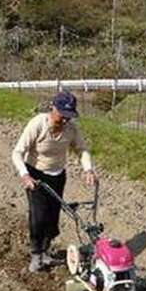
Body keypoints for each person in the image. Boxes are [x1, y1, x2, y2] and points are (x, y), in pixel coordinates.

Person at [11, 91, 97, 273]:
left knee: (52, 218)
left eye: (69, 116)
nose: (65, 120)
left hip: (58, 176)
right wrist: (24, 175)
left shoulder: (71, 129)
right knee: (39, 216)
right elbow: (17, 152)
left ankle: (46, 251)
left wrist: (88, 169)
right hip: (36, 176)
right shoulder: (37, 125)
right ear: (53, 108)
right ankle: (36, 255)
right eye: (63, 115)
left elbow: (82, 150)